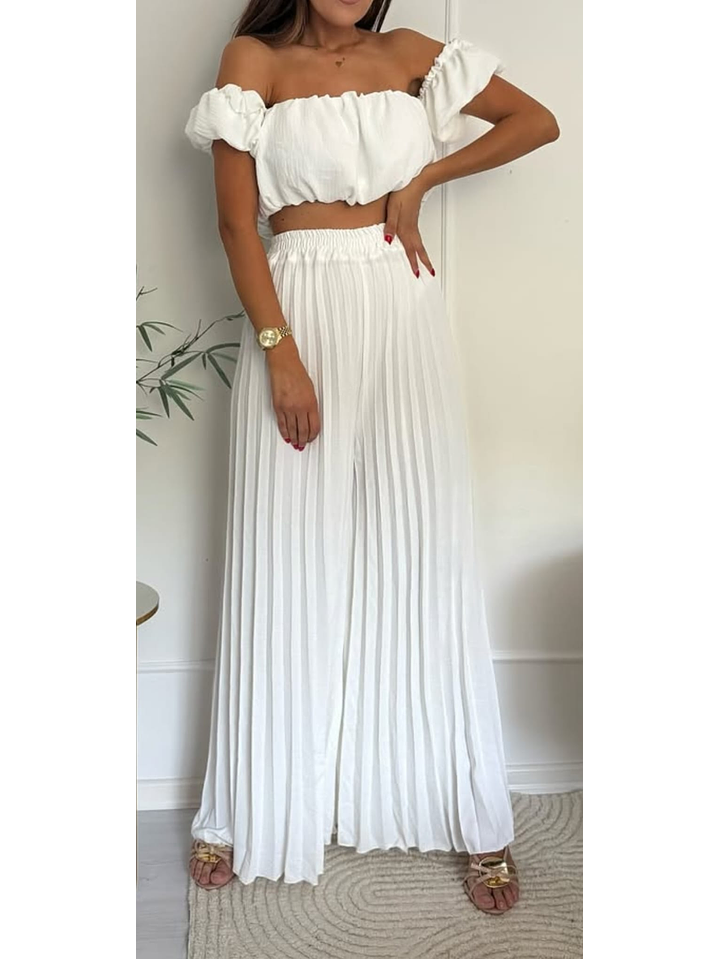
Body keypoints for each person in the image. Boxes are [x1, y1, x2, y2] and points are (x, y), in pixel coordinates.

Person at [185, 0, 558, 916]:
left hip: (400, 300)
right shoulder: (252, 58)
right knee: (283, 554)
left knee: (421, 549)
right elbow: (235, 225)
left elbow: (535, 120)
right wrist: (279, 350)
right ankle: (241, 804)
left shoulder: (411, 52)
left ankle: (472, 813)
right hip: (296, 304)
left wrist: (423, 178)